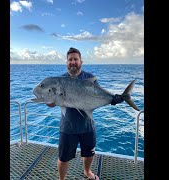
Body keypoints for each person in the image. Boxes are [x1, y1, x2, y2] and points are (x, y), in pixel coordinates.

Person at [46, 47, 124, 180]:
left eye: (75, 59)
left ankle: (87, 172)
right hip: (68, 127)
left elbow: (99, 95)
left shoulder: (89, 78)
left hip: (87, 125)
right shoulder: (60, 80)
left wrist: (112, 100)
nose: (73, 62)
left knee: (89, 154)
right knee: (63, 158)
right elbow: (53, 101)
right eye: (70, 59)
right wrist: (50, 102)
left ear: (81, 61)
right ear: (67, 62)